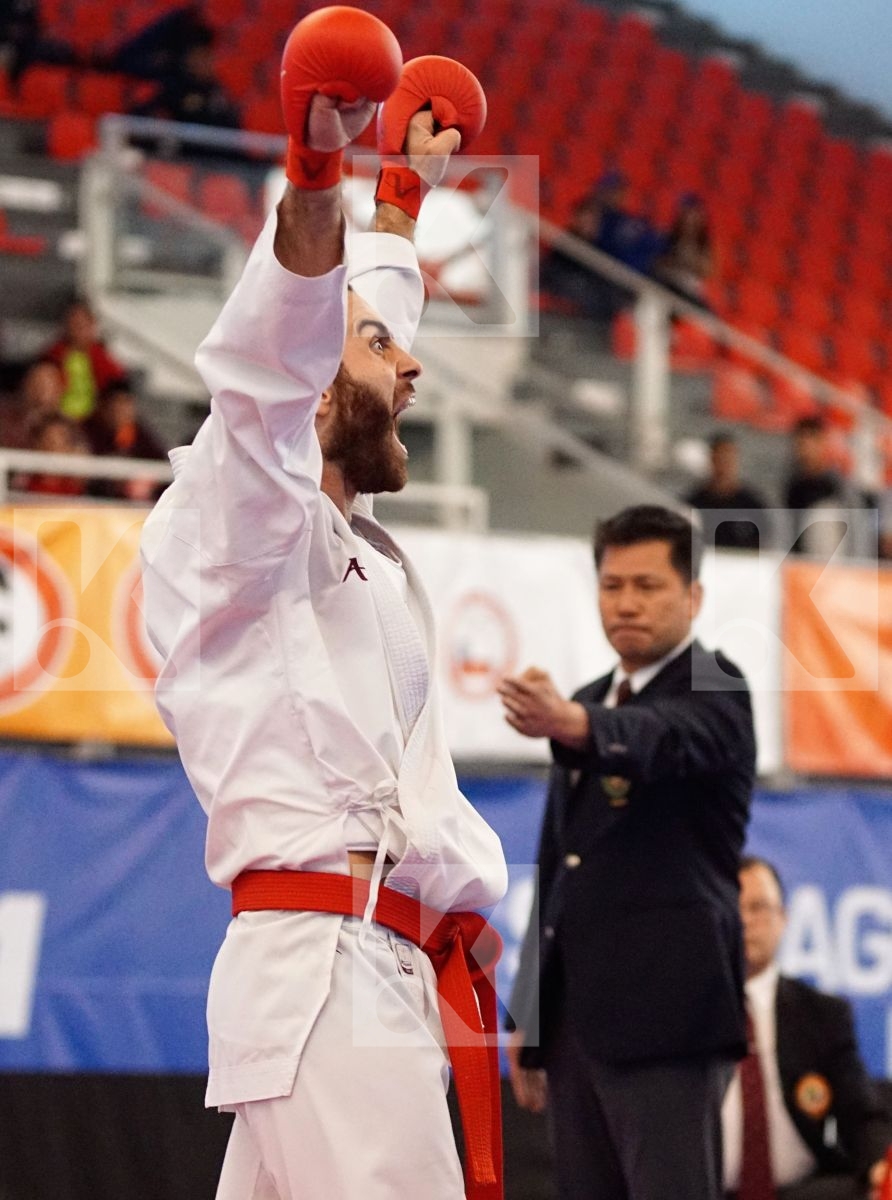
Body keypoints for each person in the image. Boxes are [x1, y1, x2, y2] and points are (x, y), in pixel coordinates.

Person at [139, 12, 506, 1200]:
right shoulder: (241, 518)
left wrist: (399, 196)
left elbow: (358, 325)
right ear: (304, 376)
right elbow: (276, 364)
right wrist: (317, 174)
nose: (411, 368)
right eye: (378, 348)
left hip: (354, 967)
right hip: (329, 968)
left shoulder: (343, 541)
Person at [499, 503, 756, 1200]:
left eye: (649, 586)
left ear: (693, 597)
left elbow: (665, 738)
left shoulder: (718, 687)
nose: (628, 603)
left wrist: (575, 724)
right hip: (578, 1026)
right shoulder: (587, 700)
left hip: (671, 1023)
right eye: (613, 586)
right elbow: (557, 867)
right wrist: (530, 1013)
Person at [724, 857, 892, 1200]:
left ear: (783, 919)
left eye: (758, 907)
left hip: (802, 1191)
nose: (744, 921)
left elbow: (859, 1112)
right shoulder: (685, 1013)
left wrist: (879, 1168)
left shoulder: (822, 1014)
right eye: (732, 907)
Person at [42, 300, 128, 422]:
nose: (77, 330)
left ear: (92, 325)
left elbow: (117, 388)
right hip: (57, 419)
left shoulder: (103, 358)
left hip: (95, 421)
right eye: (73, 324)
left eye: (82, 325)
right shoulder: (53, 355)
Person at [83, 379, 167, 500]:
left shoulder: (142, 436)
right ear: (104, 406)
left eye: (125, 403)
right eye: (116, 404)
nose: (120, 410)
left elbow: (159, 466)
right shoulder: (89, 430)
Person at [685, 432, 768, 551]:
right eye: (720, 457)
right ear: (711, 459)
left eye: (728, 457)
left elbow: (762, 544)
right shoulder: (694, 503)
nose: (724, 463)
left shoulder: (752, 504)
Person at [784, 416, 850, 555]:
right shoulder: (792, 484)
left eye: (809, 443)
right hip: (796, 558)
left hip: (830, 559)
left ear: (821, 443)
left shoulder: (836, 485)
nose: (804, 450)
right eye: (800, 444)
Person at [653, 192, 716, 308]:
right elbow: (659, 263)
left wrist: (689, 261)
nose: (690, 218)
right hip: (668, 285)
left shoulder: (704, 244)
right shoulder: (669, 238)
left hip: (690, 291)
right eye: (687, 213)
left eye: (694, 214)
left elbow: (707, 270)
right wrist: (678, 261)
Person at [0, 359, 65, 449]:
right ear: (25, 385)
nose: (41, 390)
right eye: (36, 382)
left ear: (59, 390)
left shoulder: (67, 427)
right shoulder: (6, 418)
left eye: (47, 384)